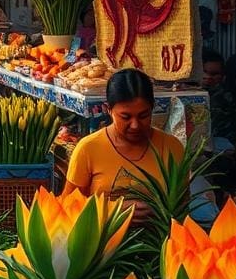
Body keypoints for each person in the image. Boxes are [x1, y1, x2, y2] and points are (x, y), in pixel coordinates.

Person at [64, 68, 184, 223]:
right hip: (104, 244)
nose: (135, 125)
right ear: (108, 110)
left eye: (143, 116)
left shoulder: (172, 147)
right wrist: (113, 210)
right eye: (125, 117)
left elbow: (182, 207)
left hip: (159, 243)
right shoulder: (88, 148)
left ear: (153, 108)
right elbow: (67, 206)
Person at [202, 49, 236, 144]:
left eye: (214, 74)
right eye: (204, 72)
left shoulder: (229, 98)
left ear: (223, 76)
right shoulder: (184, 93)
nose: (208, 77)